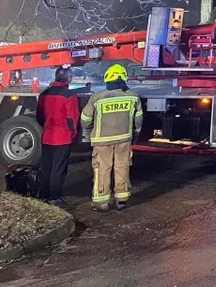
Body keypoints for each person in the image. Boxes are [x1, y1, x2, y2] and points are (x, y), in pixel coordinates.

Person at [80, 64, 143, 212]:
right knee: (122, 167)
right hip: (124, 139)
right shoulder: (133, 96)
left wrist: (88, 132)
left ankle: (102, 202)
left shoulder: (97, 97)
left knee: (102, 168)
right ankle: (121, 200)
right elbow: (138, 119)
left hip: (102, 140)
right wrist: (135, 134)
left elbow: (85, 118)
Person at [36, 66, 80, 206]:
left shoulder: (44, 94)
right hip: (63, 138)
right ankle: (55, 198)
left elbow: (40, 116)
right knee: (58, 169)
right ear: (69, 78)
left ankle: (43, 196)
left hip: (47, 136)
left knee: (46, 167)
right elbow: (73, 119)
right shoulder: (69, 95)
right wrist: (74, 135)